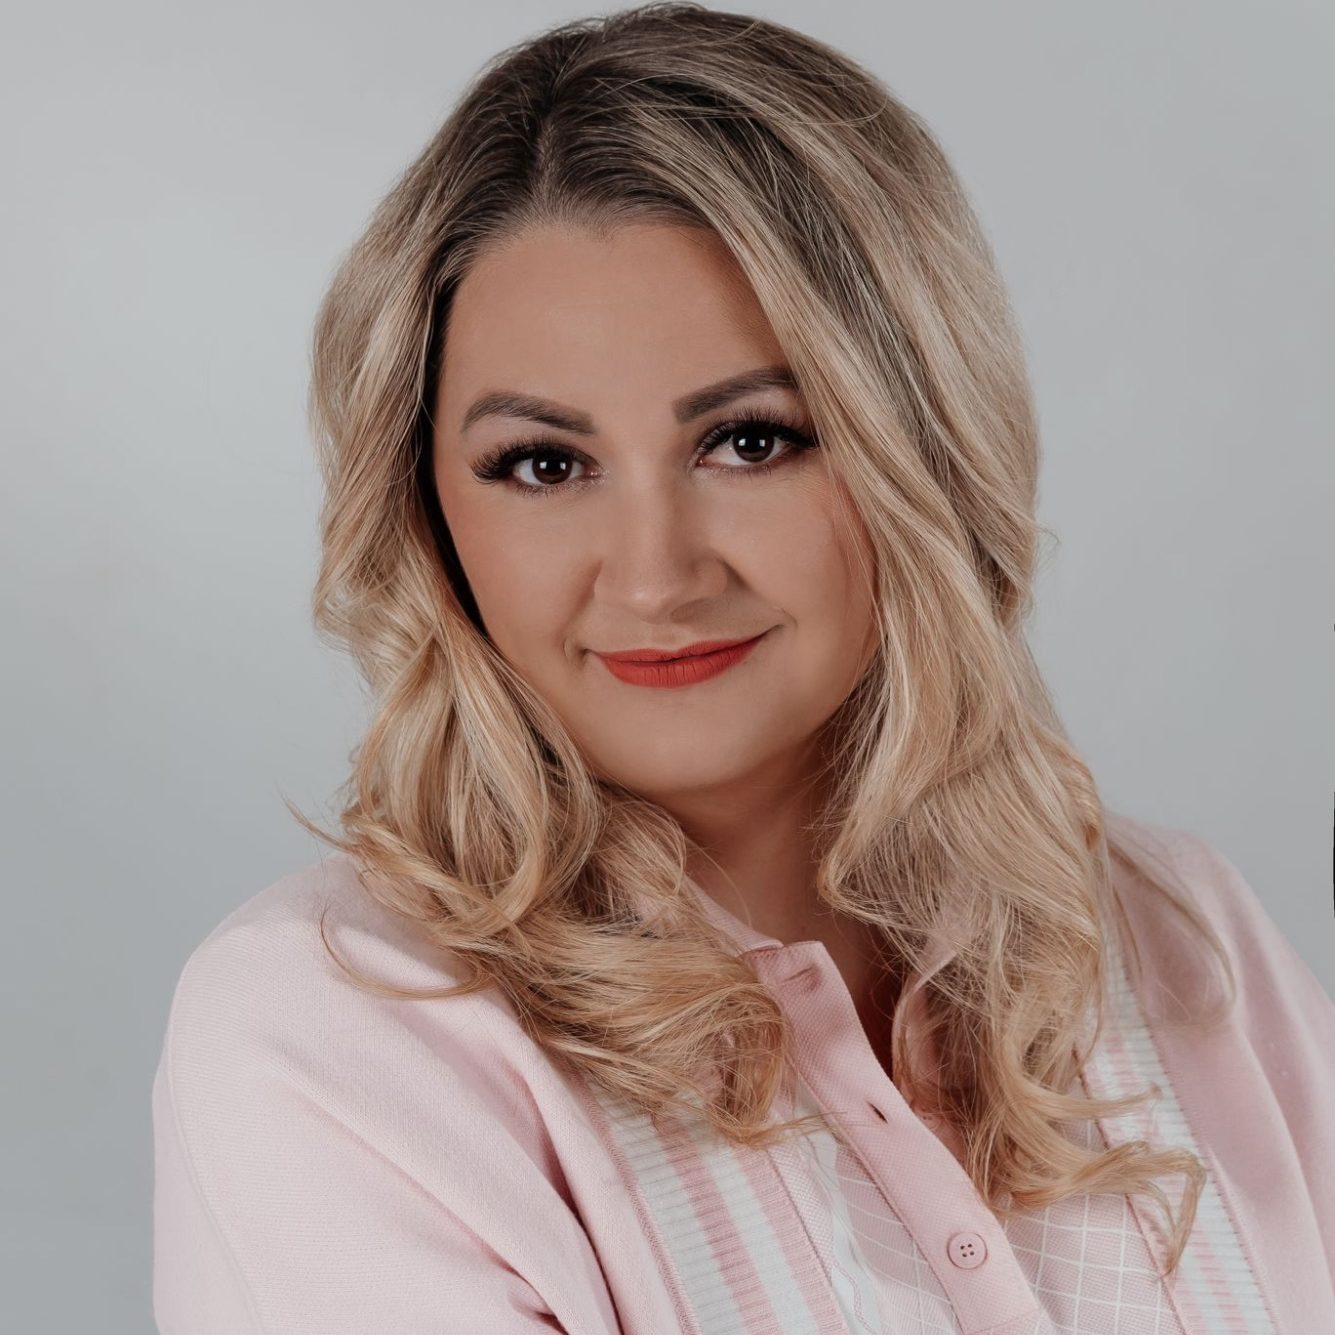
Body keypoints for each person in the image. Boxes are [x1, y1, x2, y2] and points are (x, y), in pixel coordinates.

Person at [151, 4, 1335, 1332]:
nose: (654, 576)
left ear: (926, 446)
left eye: (751, 441)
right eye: (543, 464)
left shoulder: (1175, 934)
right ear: (428, 513)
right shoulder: (341, 1031)